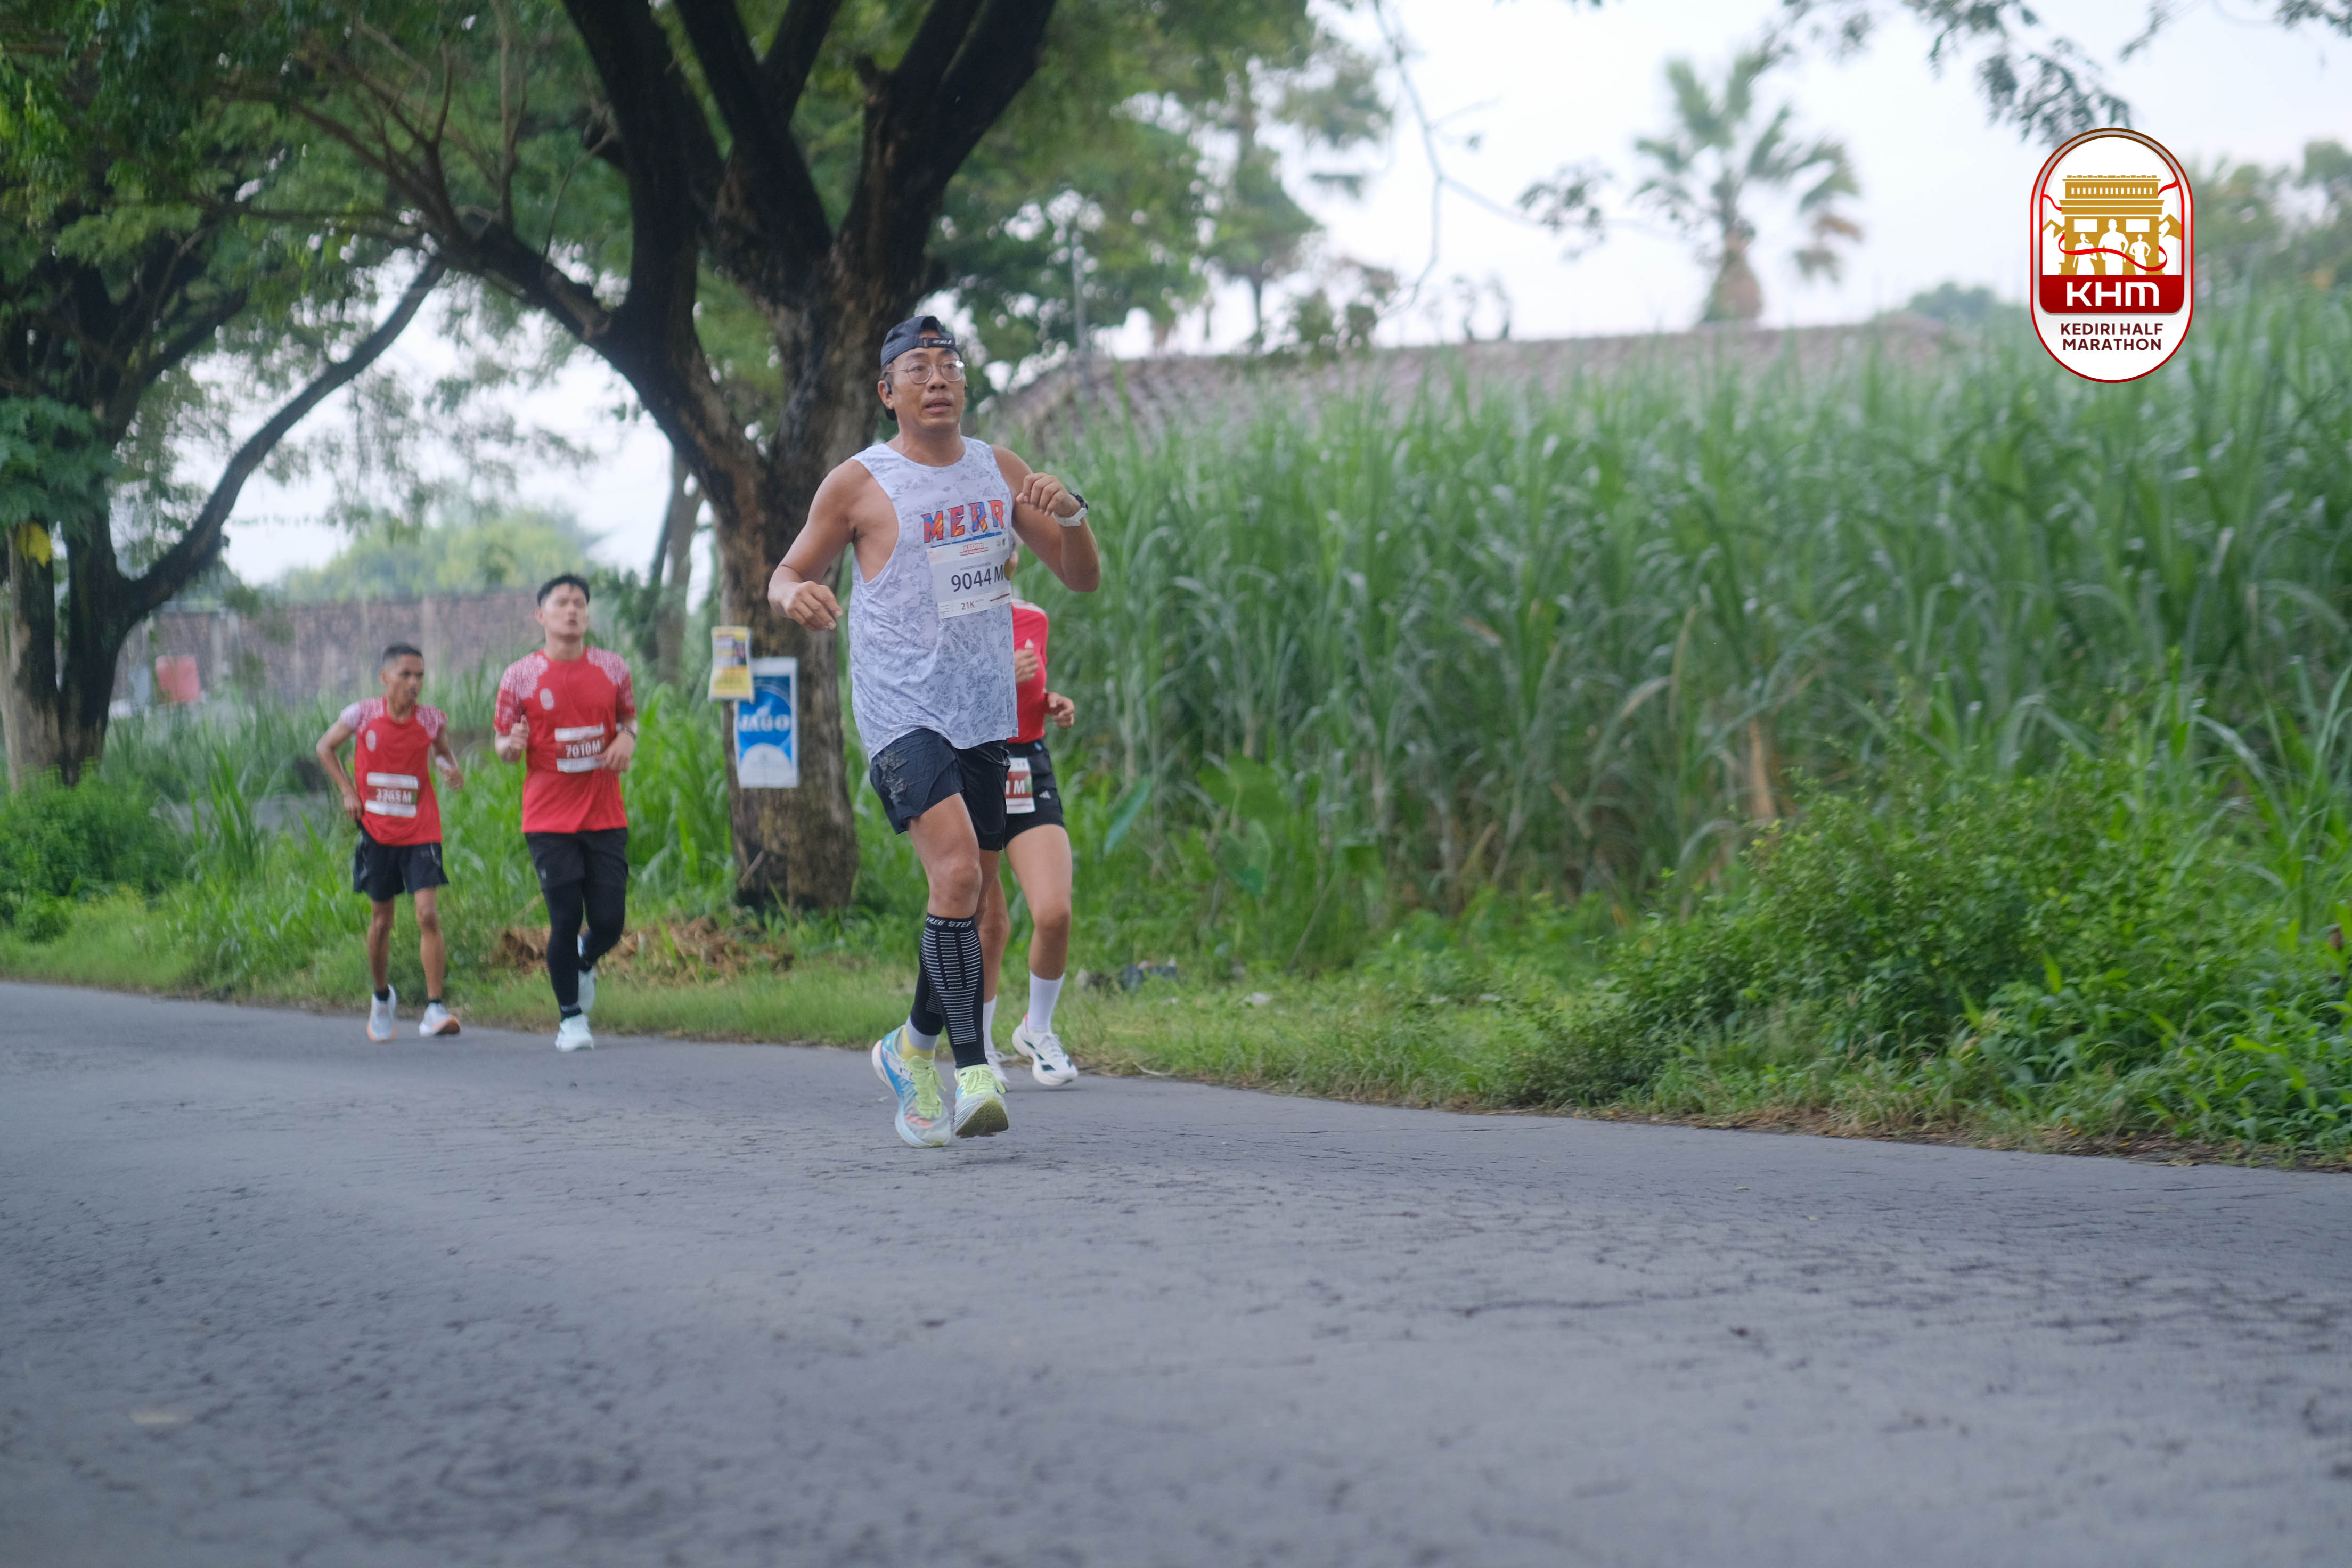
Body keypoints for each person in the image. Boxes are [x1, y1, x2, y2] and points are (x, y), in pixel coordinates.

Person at [769, 314, 1100, 1146]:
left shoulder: (1000, 470)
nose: (939, 378)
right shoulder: (858, 483)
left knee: (967, 898)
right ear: (888, 392)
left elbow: (1080, 578)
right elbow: (788, 568)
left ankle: (908, 1049)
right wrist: (791, 594)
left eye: (948, 364)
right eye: (918, 368)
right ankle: (972, 1071)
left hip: (986, 712)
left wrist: (1073, 514)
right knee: (956, 874)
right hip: (901, 710)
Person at [493, 574, 639, 1053]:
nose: (572, 610)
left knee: (609, 921)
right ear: (542, 615)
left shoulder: (613, 668)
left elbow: (628, 718)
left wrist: (627, 738)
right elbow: (502, 745)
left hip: (605, 814)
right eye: (561, 603)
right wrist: (512, 745)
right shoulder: (519, 676)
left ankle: (584, 957)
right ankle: (571, 1019)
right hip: (548, 820)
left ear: (588, 615)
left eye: (579, 603)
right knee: (564, 917)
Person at [315, 643, 466, 1040]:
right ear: (385, 678)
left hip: (421, 830)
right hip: (377, 831)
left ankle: (435, 1008)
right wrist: (348, 791)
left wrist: (450, 770)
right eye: (406, 675)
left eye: (420, 676)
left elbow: (443, 754)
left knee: (427, 915)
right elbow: (325, 747)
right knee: (382, 921)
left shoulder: (431, 720)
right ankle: (382, 998)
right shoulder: (362, 715)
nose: (415, 683)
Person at [976, 558, 1080, 1089]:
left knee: (1055, 913)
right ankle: (978, 1045)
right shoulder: (947, 621)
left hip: (1027, 765)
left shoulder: (1034, 618)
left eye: (1009, 542)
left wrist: (1051, 702)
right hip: (971, 766)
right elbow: (933, 698)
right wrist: (997, 674)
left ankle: (1037, 1029)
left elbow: (1029, 696)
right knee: (989, 922)